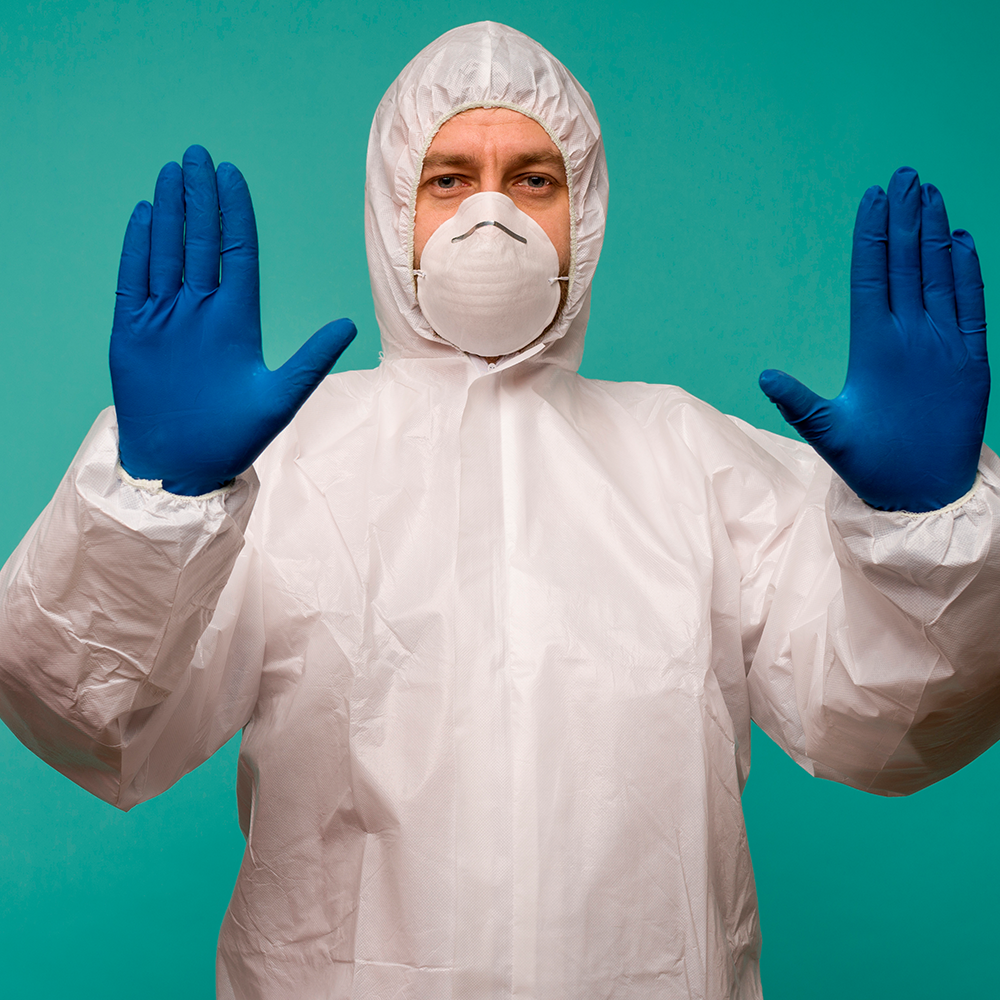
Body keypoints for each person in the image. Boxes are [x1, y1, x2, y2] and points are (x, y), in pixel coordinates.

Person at [1, 20, 998, 1000]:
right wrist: (157, 503)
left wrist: (926, 524)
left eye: (533, 179)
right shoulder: (281, 471)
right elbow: (92, 718)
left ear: (582, 213)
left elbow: (890, 724)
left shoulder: (695, 463)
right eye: (448, 180)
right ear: (395, 208)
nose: (492, 214)